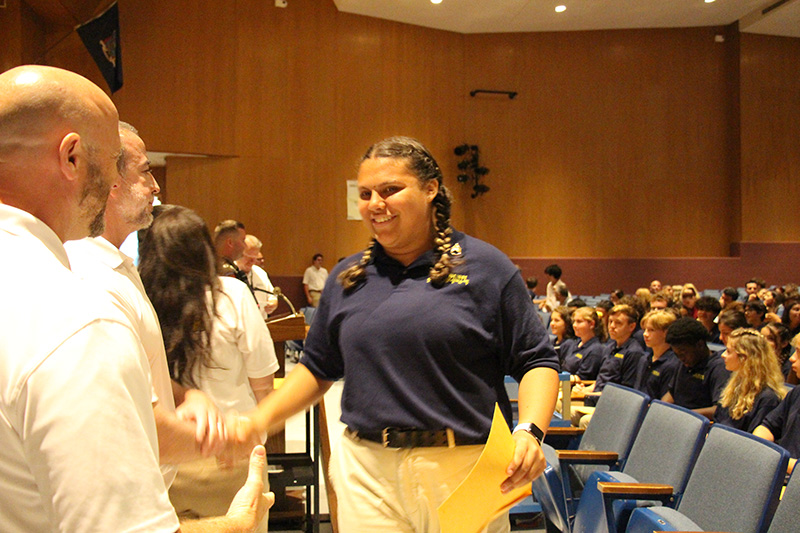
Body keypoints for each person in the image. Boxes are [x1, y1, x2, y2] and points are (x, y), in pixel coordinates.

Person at [235, 136, 560, 532]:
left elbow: (536, 360)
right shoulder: (346, 278)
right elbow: (316, 369)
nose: (376, 203)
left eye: (391, 190)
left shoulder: (487, 268)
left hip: (463, 466)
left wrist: (529, 430)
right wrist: (258, 420)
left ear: (430, 189)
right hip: (367, 470)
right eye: (366, 193)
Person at [0, 64, 269, 532]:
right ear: (71, 158)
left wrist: (186, 396)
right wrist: (237, 523)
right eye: (108, 164)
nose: (110, 185)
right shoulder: (74, 316)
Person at [65, 122, 231, 489]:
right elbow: (133, 423)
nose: (156, 188)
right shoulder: (88, 277)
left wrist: (188, 394)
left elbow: (134, 372)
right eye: (145, 172)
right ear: (110, 182)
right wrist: (233, 440)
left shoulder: (118, 266)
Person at [140, 205, 280, 519]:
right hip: (230, 451)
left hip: (162, 457)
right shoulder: (232, 295)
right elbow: (263, 385)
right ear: (205, 249)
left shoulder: (139, 302)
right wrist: (256, 438)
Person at [715, 328, 786, 432]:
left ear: (744, 358)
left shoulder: (768, 398)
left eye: (729, 351)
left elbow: (753, 440)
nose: (723, 355)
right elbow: (718, 420)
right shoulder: (734, 384)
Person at [662, 317, 730, 420]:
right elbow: (671, 393)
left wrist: (683, 415)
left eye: (683, 354)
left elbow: (718, 410)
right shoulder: (683, 363)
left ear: (700, 345)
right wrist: (660, 410)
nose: (681, 359)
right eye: (677, 355)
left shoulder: (719, 368)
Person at [754, 334, 800, 474]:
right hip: (779, 471)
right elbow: (767, 427)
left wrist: (776, 459)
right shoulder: (797, 392)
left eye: (798, 352)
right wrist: (760, 446)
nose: (792, 358)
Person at [635, 310, 681, 401]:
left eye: (651, 330)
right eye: (645, 330)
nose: (645, 334)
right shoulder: (644, 359)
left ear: (666, 333)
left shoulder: (673, 364)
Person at [236, 234, 279, 319]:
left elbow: (272, 296)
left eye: (255, 258)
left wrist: (273, 303)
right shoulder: (228, 273)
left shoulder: (260, 273)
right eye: (248, 257)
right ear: (239, 253)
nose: (252, 262)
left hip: (261, 325)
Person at [562, 307, 606, 381]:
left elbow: (583, 378)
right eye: (574, 321)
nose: (574, 325)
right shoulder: (576, 343)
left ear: (592, 324)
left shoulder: (595, 349)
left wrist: (558, 378)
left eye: (579, 322)